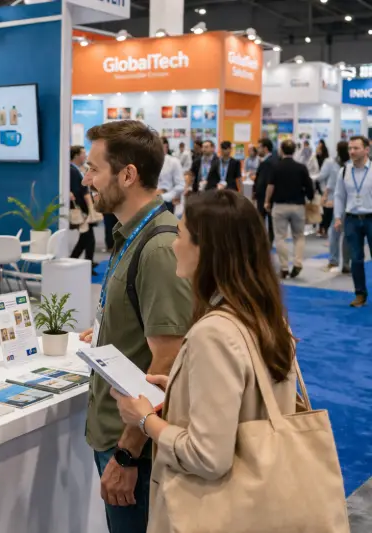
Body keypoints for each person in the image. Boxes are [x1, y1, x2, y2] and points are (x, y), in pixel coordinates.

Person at [111, 189, 296, 533]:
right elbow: (248, 397)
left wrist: (144, 420)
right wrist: (180, 388)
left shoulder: (213, 332)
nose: (173, 245)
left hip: (218, 510)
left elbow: (208, 457)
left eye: (181, 234)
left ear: (207, 250)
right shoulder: (265, 317)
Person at [79, 120, 192, 533]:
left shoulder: (159, 247)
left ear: (127, 175)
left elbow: (169, 358)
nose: (86, 180)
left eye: (93, 169)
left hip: (137, 451)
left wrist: (127, 454)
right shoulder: (131, 234)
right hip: (120, 435)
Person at [265, 139, 315, 279]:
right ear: (294, 151)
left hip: (280, 206)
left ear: (281, 150)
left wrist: (267, 201)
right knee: (299, 236)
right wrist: (310, 197)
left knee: (280, 237)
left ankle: (284, 267)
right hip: (298, 206)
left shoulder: (276, 167)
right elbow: (309, 186)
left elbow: (270, 186)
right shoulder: (301, 167)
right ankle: (298, 263)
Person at [334, 135, 372, 307]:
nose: (352, 151)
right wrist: (337, 217)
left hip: (371, 217)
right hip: (351, 219)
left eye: (356, 148)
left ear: (366, 150)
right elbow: (339, 196)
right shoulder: (344, 171)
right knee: (356, 259)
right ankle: (360, 294)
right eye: (350, 148)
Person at [325, 141, 351, 273]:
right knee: (345, 233)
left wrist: (326, 196)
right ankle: (343, 262)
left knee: (336, 232)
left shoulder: (335, 164)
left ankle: (335, 260)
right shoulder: (348, 165)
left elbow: (331, 183)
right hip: (346, 202)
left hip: (341, 202)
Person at [70, 145, 96, 271]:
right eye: (83, 153)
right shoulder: (72, 171)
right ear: (76, 156)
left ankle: (86, 264)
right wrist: (90, 209)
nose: (85, 156)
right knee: (87, 238)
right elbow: (81, 191)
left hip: (82, 210)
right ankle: (72, 261)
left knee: (87, 238)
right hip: (80, 210)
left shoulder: (77, 170)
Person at [254, 138, 277, 243]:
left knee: (264, 220)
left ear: (265, 148)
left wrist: (257, 192)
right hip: (265, 195)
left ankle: (265, 243)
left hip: (265, 195)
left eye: (259, 147)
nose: (257, 149)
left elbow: (267, 181)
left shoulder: (268, 162)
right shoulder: (270, 160)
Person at [157, 137, 185, 214]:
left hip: (166, 201)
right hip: (149, 201)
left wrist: (165, 196)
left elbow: (180, 185)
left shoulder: (174, 162)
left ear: (166, 147)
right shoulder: (148, 162)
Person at [315, 142, 336, 237]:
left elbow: (323, 175)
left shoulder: (328, 161)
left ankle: (324, 228)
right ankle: (323, 228)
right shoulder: (315, 158)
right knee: (324, 209)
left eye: (319, 148)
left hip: (326, 188)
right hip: (323, 187)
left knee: (326, 210)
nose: (317, 149)